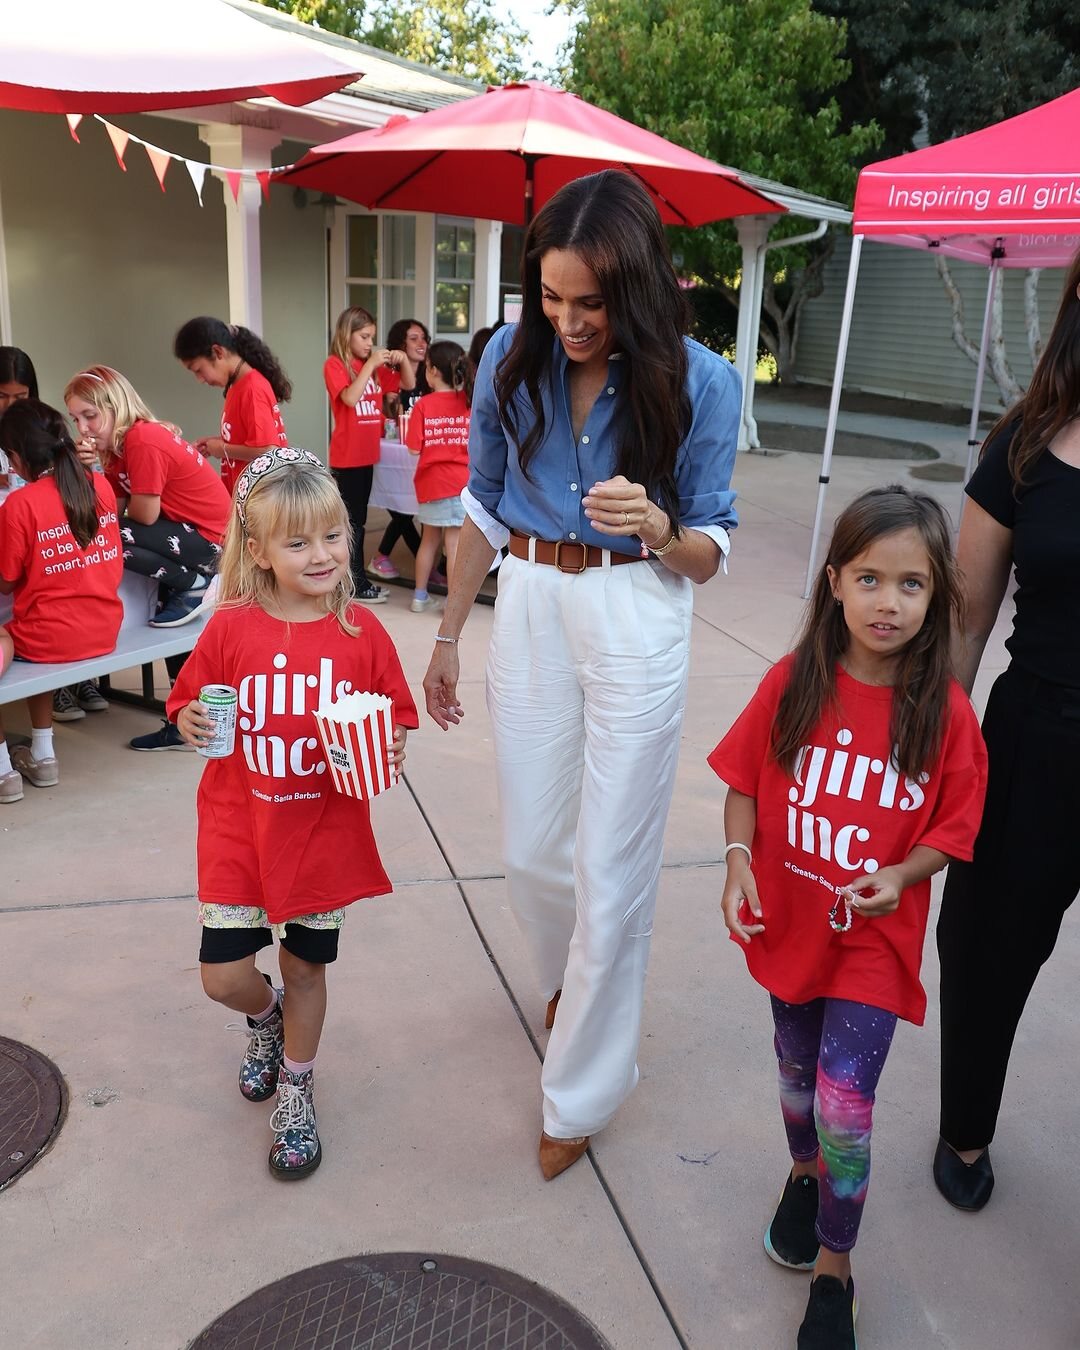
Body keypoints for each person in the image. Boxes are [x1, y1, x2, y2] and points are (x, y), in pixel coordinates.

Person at [422, 168, 739, 1180]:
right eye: (551, 298)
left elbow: (711, 548)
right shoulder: (511, 371)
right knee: (529, 849)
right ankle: (568, 982)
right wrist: (445, 636)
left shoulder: (703, 381)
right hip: (531, 599)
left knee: (614, 862)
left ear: (637, 287)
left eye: (589, 303)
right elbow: (478, 505)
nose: (567, 321)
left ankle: (583, 1088)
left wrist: (659, 527)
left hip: (638, 610)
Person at [709, 486, 987, 1350]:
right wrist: (737, 865)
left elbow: (952, 831)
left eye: (911, 585)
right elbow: (744, 784)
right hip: (788, 929)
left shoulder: (945, 713)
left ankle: (836, 1267)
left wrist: (903, 873)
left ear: (936, 597)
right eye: (869, 578)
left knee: (843, 1105)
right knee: (797, 1085)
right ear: (834, 583)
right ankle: (802, 1177)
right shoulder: (792, 683)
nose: (888, 601)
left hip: (872, 944)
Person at [168, 447, 418, 1178]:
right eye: (298, 541)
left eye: (335, 536)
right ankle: (263, 1020)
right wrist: (187, 719)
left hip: (320, 834)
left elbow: (395, 718)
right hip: (238, 829)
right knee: (222, 975)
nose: (323, 555)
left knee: (306, 968)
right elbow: (188, 700)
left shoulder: (360, 633)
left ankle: (298, 1090)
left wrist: (389, 746)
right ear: (258, 551)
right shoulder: (230, 627)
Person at [934, 250, 1080, 1213]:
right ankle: (966, 1129)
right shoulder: (1027, 441)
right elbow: (966, 623)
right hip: (1037, 740)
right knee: (988, 946)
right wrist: (927, 757)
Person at [0, 400, 123, 803]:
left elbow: (6, 583)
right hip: (104, 630)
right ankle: (44, 753)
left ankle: (3, 768)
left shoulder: (21, 504)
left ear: (17, 457)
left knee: (15, 634)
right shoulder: (98, 485)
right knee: (36, 628)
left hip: (52, 641)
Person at [65, 366, 231, 629]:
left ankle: (193, 584)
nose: (83, 428)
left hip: (218, 543)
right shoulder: (116, 450)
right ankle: (190, 585)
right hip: (189, 537)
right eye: (75, 419)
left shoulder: (142, 439)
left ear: (116, 407)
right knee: (104, 531)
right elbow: (112, 510)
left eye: (90, 416)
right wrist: (86, 469)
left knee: (104, 533)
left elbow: (144, 515)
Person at [322, 306, 414, 604]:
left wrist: (403, 361)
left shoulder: (369, 367)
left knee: (357, 521)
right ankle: (354, 584)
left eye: (371, 337)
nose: (369, 343)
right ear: (347, 334)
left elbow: (408, 385)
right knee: (351, 523)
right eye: (363, 336)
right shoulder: (335, 364)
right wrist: (371, 364)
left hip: (368, 455)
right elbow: (349, 397)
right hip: (348, 457)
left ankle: (355, 581)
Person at [174, 316, 290, 497]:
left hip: (261, 501)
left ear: (218, 352)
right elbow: (249, 439)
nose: (200, 379)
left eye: (198, 370)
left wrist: (221, 449)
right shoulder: (237, 386)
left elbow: (268, 450)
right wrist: (216, 443)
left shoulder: (252, 388)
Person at [405, 340, 472, 613]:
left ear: (432, 370)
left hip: (431, 483)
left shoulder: (423, 405)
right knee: (454, 542)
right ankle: (452, 604)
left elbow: (412, 448)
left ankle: (419, 597)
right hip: (460, 482)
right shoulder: (468, 401)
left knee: (429, 540)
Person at [368, 317, 430, 581]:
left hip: (422, 450)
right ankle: (417, 560)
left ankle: (414, 559)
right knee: (401, 505)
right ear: (400, 343)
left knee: (417, 505)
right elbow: (386, 414)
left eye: (424, 338)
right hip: (394, 448)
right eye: (414, 338)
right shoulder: (388, 375)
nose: (422, 343)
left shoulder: (431, 374)